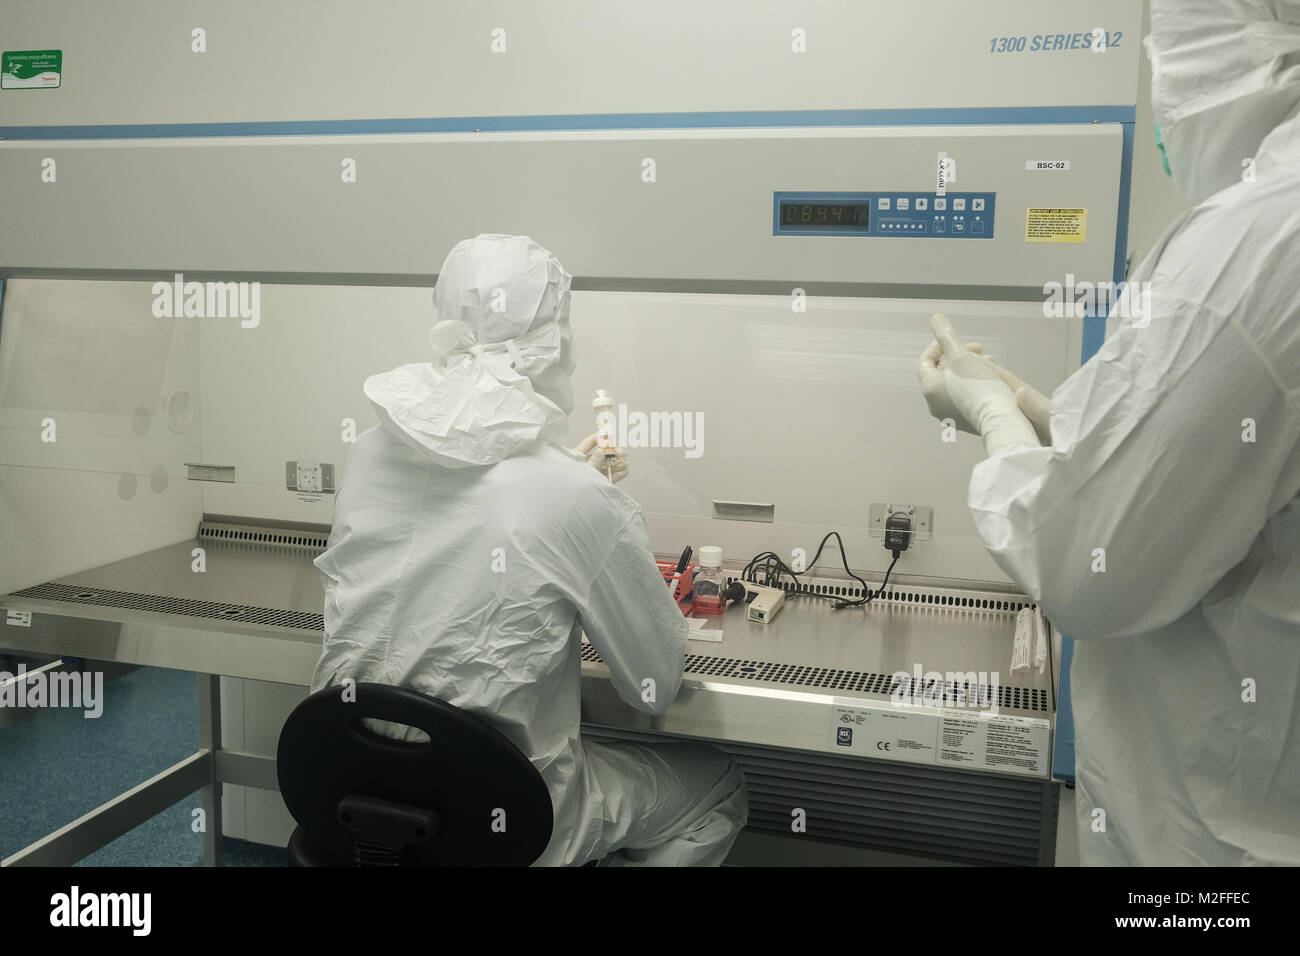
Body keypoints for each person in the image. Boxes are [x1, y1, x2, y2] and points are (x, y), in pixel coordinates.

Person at [917, 0, 1300, 865]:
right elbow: (1211, 468)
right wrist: (1041, 407)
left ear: (1220, 51)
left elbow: (1082, 560)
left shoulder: (1257, 245)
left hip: (1219, 843)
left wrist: (990, 414)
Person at [312, 234, 747, 866]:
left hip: (354, 793)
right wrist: (590, 507)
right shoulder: (576, 496)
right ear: (554, 343)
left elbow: (468, 513)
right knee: (718, 786)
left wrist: (571, 483)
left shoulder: (371, 451)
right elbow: (652, 686)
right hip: (513, 819)